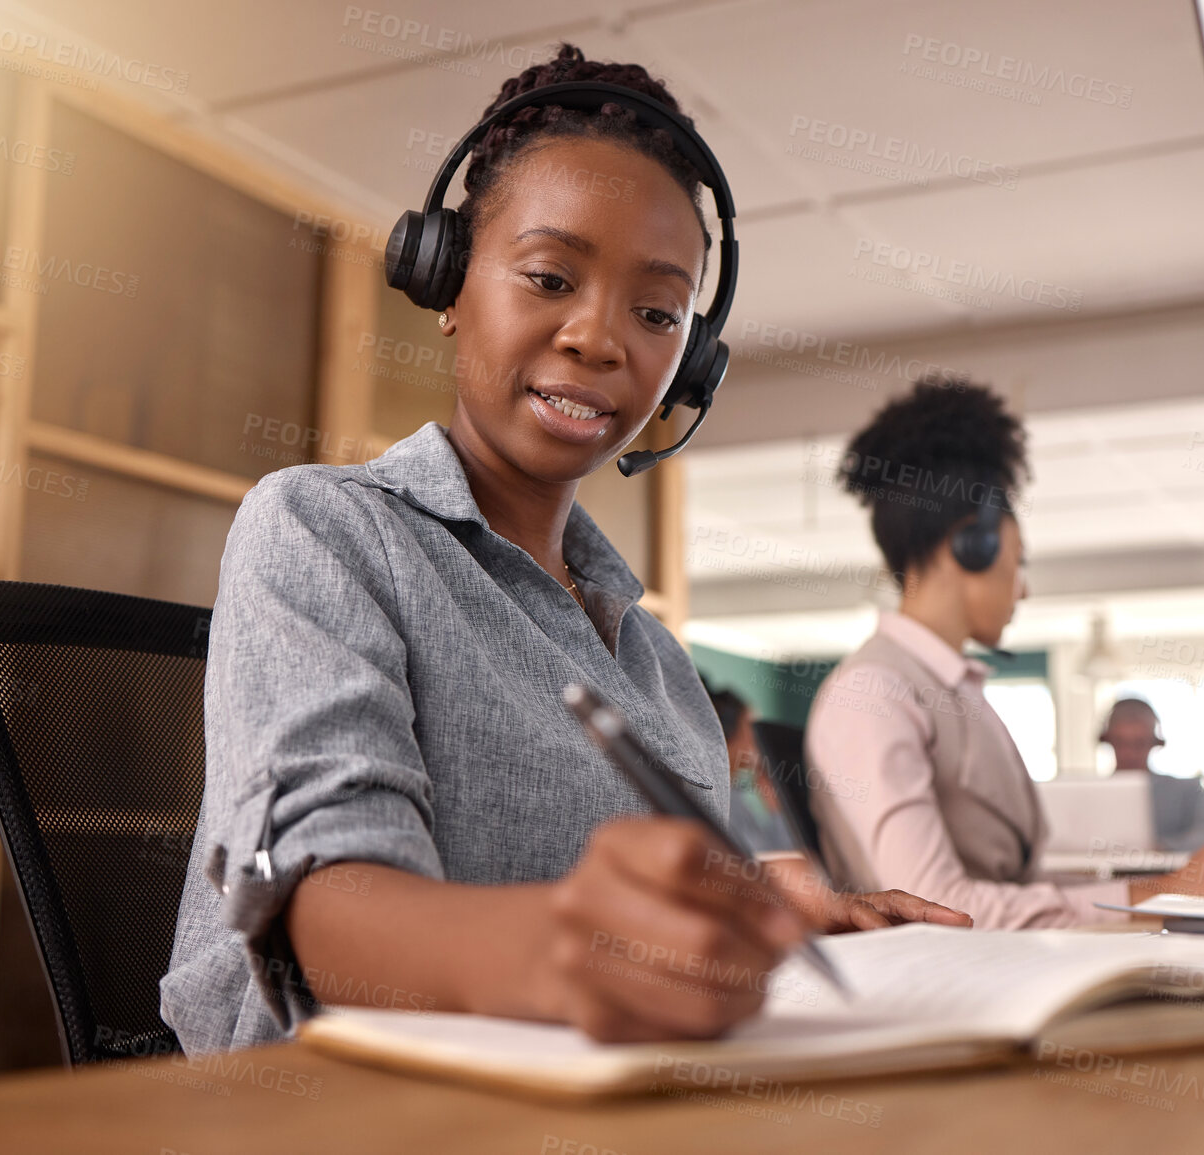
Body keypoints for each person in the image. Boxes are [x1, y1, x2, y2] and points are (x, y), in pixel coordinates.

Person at [161, 46, 965, 1055]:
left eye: (657, 312)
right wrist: (574, 950)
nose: (600, 338)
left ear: (690, 363)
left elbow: (621, 892)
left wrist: (756, 908)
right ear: (447, 282)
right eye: (550, 276)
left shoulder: (661, 665)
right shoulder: (324, 530)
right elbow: (324, 911)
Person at [805, 378, 1204, 928]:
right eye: (1019, 560)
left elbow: (1022, 884)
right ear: (973, 541)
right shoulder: (875, 691)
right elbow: (935, 908)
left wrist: (1174, 887)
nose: (1024, 589)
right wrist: (1165, 892)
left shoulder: (952, 689)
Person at [1100, 697, 1204, 852]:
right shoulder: (1092, 794)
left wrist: (1160, 848)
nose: (1129, 754)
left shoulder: (1188, 790)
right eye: (1121, 743)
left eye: (1139, 743)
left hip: (1169, 874)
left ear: (1155, 743)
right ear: (1108, 741)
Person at [704, 684, 794, 854]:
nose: (759, 740)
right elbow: (768, 865)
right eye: (751, 728)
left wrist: (775, 806)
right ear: (726, 735)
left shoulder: (734, 794)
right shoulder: (719, 801)